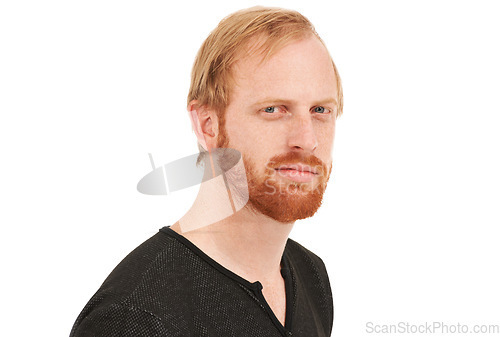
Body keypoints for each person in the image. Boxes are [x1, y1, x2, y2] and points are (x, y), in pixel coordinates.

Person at [70, 6, 343, 337]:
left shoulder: (311, 275)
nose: (307, 139)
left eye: (320, 110)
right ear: (208, 126)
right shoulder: (137, 316)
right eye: (273, 109)